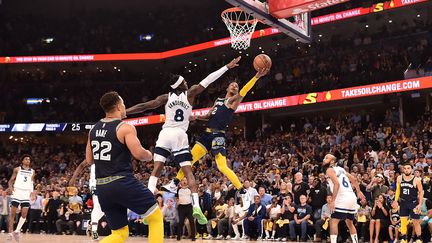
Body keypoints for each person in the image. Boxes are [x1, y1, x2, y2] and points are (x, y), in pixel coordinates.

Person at [126, 57, 241, 225]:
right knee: (188, 172)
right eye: (185, 81)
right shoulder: (190, 93)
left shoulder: (165, 97)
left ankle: (146, 208)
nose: (187, 82)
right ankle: (196, 207)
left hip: (165, 133)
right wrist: (226, 67)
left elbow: (145, 106)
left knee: (156, 169)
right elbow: (208, 80)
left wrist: (125, 113)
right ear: (181, 85)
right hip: (180, 134)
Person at [69, 91, 163, 243]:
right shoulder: (125, 128)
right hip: (122, 182)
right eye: (124, 104)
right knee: (155, 217)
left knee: (120, 234)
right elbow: (139, 154)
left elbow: (89, 159)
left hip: (102, 188)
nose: (125, 106)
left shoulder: (93, 129)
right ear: (119, 106)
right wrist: (150, 154)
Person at [169, 66, 270, 195]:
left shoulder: (234, 101)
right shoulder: (218, 100)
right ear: (227, 88)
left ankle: (242, 190)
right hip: (206, 134)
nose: (234, 86)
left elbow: (244, 90)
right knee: (189, 160)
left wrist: (256, 77)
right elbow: (208, 116)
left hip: (218, 135)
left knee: (222, 166)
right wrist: (195, 117)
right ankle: (175, 182)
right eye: (232, 85)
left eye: (236, 86)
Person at [323, 154, 365, 243]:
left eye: (326, 158)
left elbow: (336, 184)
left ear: (332, 161)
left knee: (333, 222)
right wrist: (358, 191)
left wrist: (333, 201)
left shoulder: (329, 170)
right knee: (349, 223)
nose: (324, 159)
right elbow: (354, 179)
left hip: (342, 197)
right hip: (351, 197)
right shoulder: (341, 169)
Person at [392, 163, 424, 243]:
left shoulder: (416, 180)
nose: (406, 170)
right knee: (403, 221)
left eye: (408, 168)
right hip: (403, 202)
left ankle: (419, 238)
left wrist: (420, 204)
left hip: (413, 203)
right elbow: (398, 190)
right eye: (405, 168)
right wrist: (395, 201)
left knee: (415, 221)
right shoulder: (399, 178)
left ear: (412, 170)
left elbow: (421, 192)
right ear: (403, 169)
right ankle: (404, 238)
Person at [7, 154, 35, 241]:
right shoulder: (17, 169)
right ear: (22, 161)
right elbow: (10, 180)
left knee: (24, 214)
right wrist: (10, 187)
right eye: (26, 159)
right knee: (12, 214)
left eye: (29, 159)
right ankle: (10, 233)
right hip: (17, 192)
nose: (28, 161)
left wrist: (32, 192)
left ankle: (17, 231)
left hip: (26, 193)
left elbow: (31, 182)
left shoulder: (32, 171)